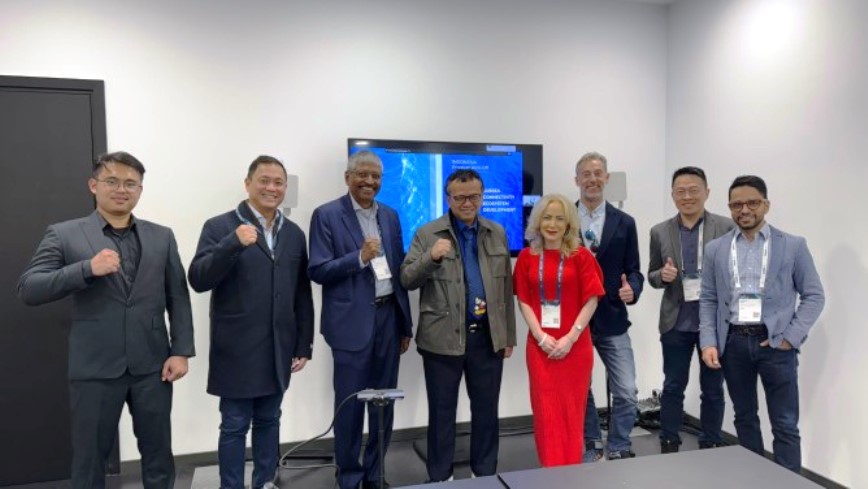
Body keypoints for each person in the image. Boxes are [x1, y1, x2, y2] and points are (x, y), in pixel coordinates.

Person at [17, 151, 194, 489]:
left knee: (159, 455)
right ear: (93, 185)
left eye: (130, 183)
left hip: (153, 365)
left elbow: (178, 297)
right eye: (112, 181)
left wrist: (181, 350)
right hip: (95, 367)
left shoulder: (162, 236)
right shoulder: (64, 234)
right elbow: (29, 288)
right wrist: (86, 269)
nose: (121, 189)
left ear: (140, 190)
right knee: (90, 460)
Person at [188, 155, 314, 489]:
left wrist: (303, 344)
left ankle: (264, 482)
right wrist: (231, 243)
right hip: (237, 348)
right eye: (264, 180)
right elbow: (198, 279)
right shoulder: (219, 227)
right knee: (234, 425)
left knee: (270, 420)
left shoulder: (294, 233)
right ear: (248, 184)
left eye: (279, 182)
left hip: (278, 347)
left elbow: (301, 292)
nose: (272, 188)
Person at [700, 175, 824, 472]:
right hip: (733, 343)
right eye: (736, 204)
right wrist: (709, 342)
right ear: (730, 207)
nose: (744, 210)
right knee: (744, 418)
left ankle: (788, 482)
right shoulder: (716, 249)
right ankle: (754, 479)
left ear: (766, 205)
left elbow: (814, 295)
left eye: (752, 203)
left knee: (784, 423)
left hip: (776, 344)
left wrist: (790, 337)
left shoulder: (792, 245)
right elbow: (709, 299)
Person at [400, 169, 516, 482]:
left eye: (474, 196)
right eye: (460, 197)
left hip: (487, 339)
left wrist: (508, 335)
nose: (467, 203)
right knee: (442, 414)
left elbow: (506, 288)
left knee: (487, 412)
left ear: (482, 196)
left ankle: (485, 475)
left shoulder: (496, 232)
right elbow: (407, 278)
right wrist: (431, 258)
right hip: (441, 340)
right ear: (448, 198)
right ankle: (440, 478)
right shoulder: (427, 233)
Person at [308, 150, 413, 489]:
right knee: (350, 406)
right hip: (349, 324)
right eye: (362, 174)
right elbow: (318, 270)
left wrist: (405, 324)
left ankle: (375, 474)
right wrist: (359, 257)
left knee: (384, 404)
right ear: (348, 177)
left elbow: (397, 270)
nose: (369, 181)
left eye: (376, 176)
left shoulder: (391, 216)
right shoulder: (326, 215)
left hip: (388, 319)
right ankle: (350, 477)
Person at [648, 167, 734, 453]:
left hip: (714, 324)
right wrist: (663, 276)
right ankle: (669, 440)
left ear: (706, 192)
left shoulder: (726, 228)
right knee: (673, 385)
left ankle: (711, 440)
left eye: (693, 190)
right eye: (680, 191)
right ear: (672, 195)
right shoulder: (659, 231)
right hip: (676, 322)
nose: (687, 196)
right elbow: (651, 275)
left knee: (713, 388)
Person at [513, 194, 604, 467]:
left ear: (569, 224)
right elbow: (523, 300)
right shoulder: (527, 257)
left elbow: (592, 299)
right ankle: (550, 472)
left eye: (559, 219)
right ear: (538, 221)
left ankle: (571, 474)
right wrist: (541, 337)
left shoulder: (581, 256)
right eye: (547, 218)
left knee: (572, 414)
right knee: (546, 415)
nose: (552, 224)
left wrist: (570, 338)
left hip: (575, 347)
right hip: (540, 348)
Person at [573, 151, 644, 461]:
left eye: (597, 173)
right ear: (577, 180)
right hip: (575, 321)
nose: (592, 179)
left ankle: (618, 444)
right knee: (581, 388)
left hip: (613, 318)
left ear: (607, 178)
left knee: (626, 390)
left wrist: (633, 289)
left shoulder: (625, 222)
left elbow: (635, 270)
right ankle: (592, 443)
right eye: (586, 174)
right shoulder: (563, 220)